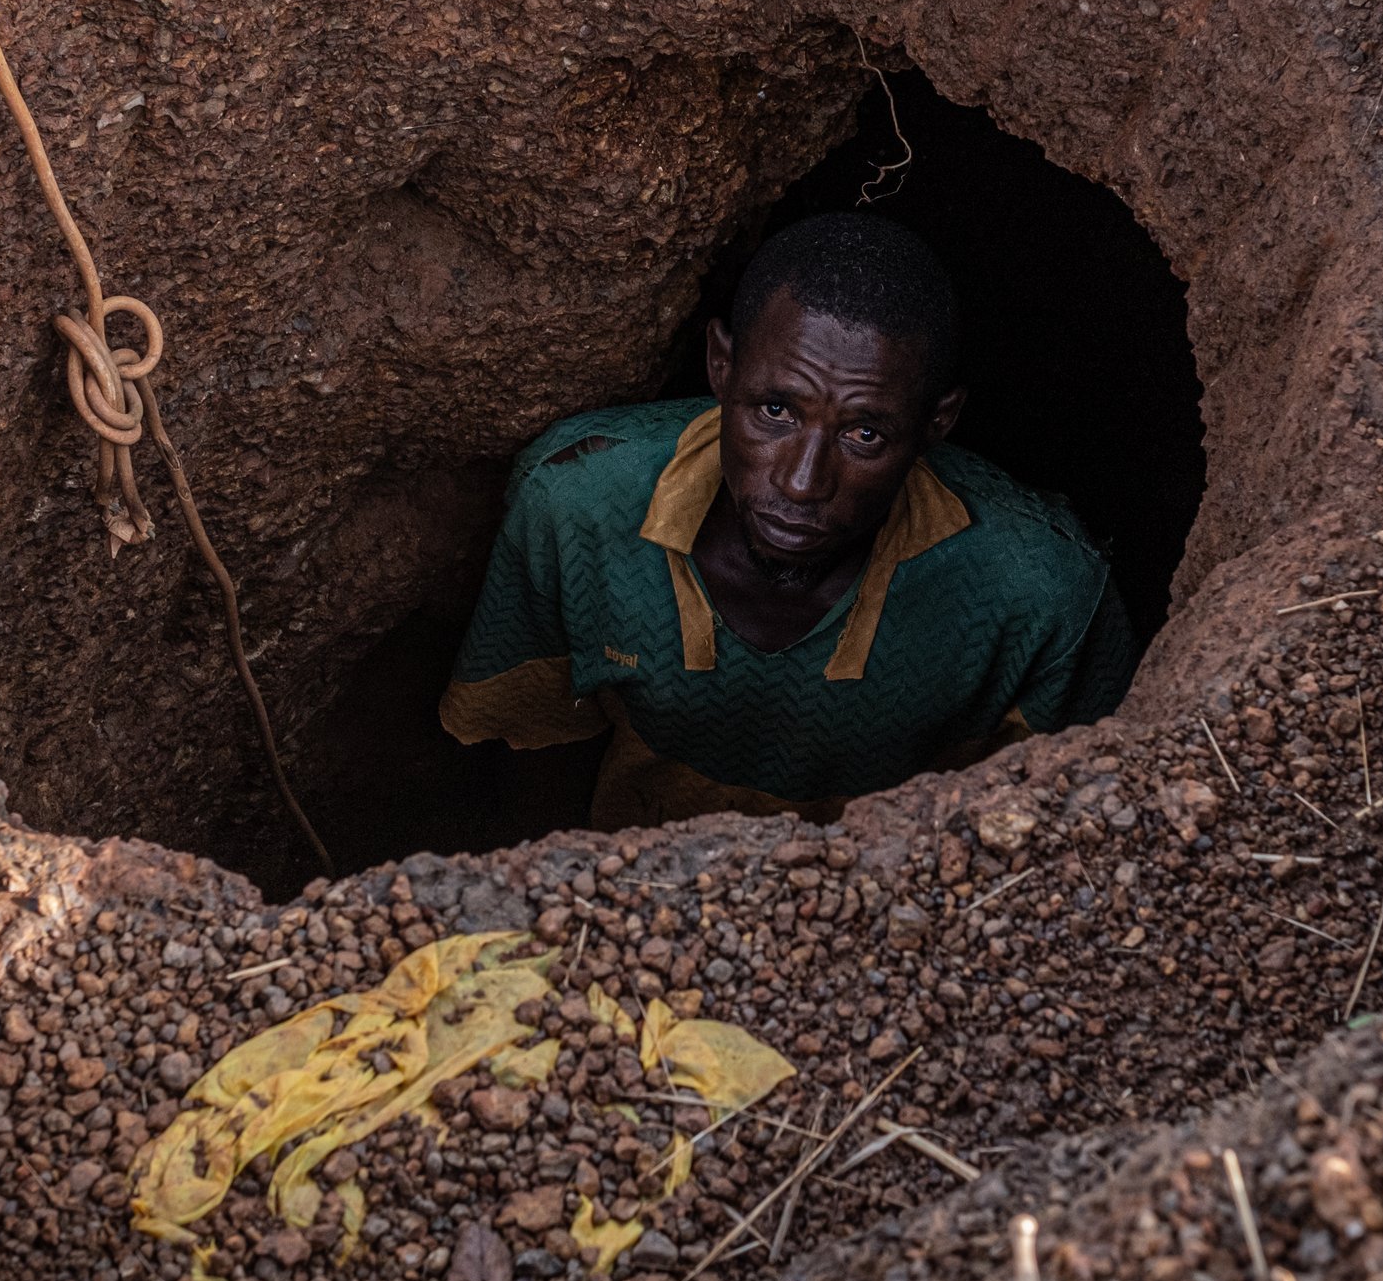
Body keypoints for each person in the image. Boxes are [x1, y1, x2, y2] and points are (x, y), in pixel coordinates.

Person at [438, 212, 1137, 830]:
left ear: (936, 424)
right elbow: (522, 751)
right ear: (720, 366)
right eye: (775, 410)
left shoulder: (1040, 595)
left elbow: (1073, 827)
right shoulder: (577, 503)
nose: (802, 482)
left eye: (864, 434)